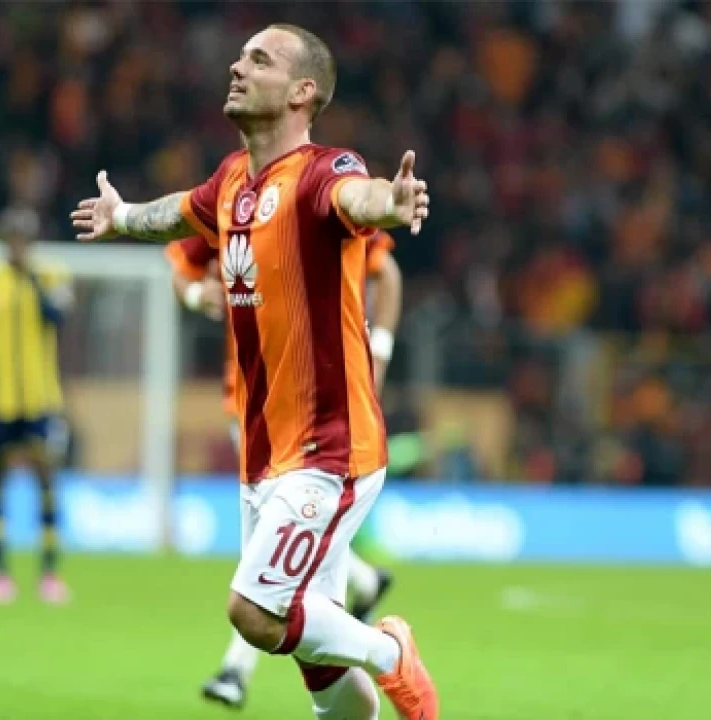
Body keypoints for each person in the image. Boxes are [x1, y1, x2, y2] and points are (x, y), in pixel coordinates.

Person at [72, 23, 438, 720]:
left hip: (331, 448)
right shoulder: (232, 180)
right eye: (240, 57)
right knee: (317, 663)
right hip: (265, 452)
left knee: (255, 612)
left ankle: (392, 653)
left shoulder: (324, 172)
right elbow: (177, 215)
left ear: (302, 92)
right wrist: (123, 217)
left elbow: (358, 198)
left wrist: (389, 203)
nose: (237, 68)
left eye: (259, 60)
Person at [166, 231, 402, 709]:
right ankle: (364, 587)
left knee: (266, 563)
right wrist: (194, 294)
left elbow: (387, 269)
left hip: (315, 412)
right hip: (251, 403)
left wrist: (380, 348)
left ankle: (237, 668)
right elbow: (181, 267)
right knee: (280, 554)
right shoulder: (230, 201)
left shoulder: (320, 200)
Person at [0, 207, 74, 605]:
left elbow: (56, 317)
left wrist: (32, 280)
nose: (18, 245)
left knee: (47, 480)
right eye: (12, 237)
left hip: (41, 398)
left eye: (24, 238)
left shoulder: (52, 275)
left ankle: (49, 574)